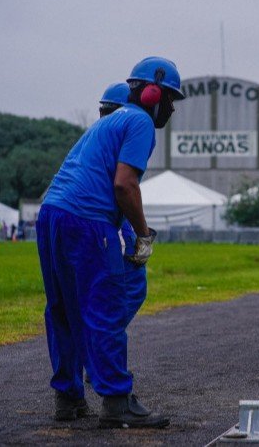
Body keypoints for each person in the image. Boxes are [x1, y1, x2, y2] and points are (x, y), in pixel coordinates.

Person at [36, 57, 184, 429]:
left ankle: (68, 399)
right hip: (87, 221)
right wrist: (144, 234)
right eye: (170, 99)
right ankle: (117, 402)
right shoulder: (139, 121)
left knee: (63, 310)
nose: (171, 108)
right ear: (154, 93)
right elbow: (124, 185)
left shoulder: (108, 122)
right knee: (104, 307)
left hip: (52, 214)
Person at [99, 82, 148, 335]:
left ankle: (93, 358)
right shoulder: (131, 127)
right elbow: (124, 185)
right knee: (131, 286)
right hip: (112, 222)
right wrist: (144, 235)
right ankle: (101, 357)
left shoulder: (95, 137)